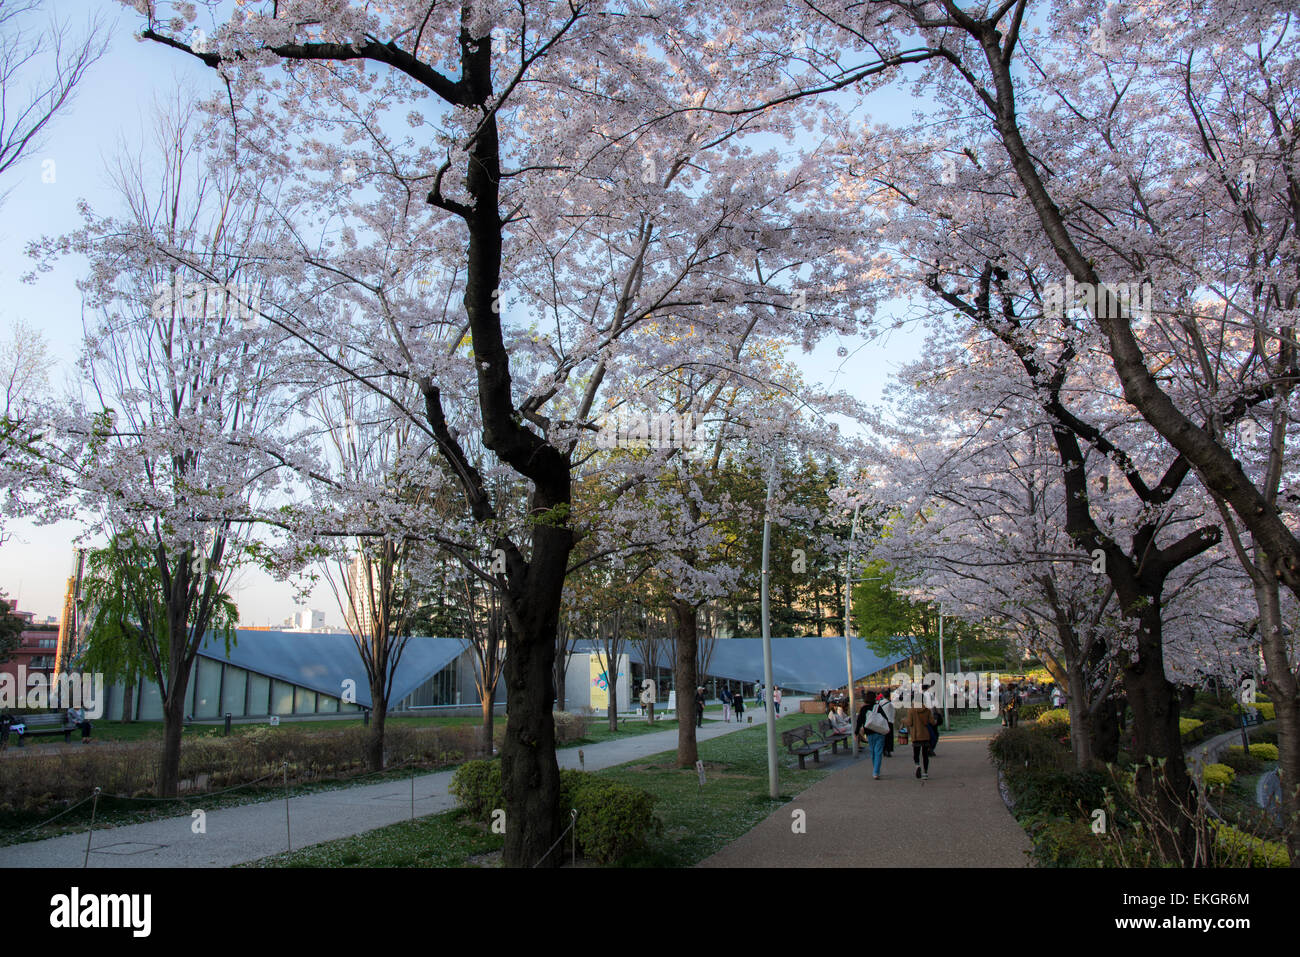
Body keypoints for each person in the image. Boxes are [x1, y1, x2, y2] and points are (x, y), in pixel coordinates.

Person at [902, 700, 934, 779]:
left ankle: (917, 765)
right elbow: (932, 722)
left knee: (916, 753)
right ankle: (925, 773)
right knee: (925, 755)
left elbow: (909, 723)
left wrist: (903, 720)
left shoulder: (911, 710)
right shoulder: (927, 710)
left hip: (916, 736)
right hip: (925, 735)